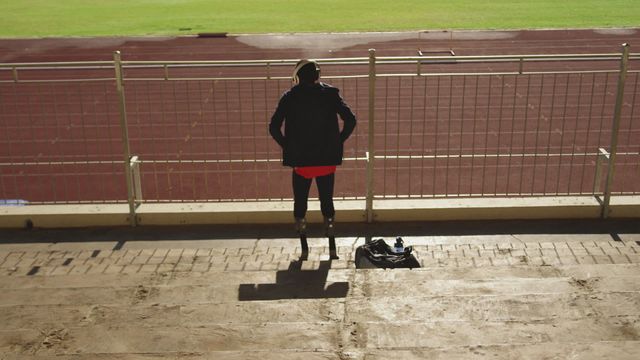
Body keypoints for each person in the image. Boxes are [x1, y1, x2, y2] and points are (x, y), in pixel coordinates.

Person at [269, 59, 356, 238]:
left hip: (301, 162)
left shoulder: (289, 97)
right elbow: (351, 120)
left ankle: (300, 224)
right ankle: (329, 223)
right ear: (318, 75)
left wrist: (288, 146)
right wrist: (338, 140)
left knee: (300, 198)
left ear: (298, 77)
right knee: (327, 197)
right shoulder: (331, 94)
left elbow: (273, 127)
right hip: (327, 160)